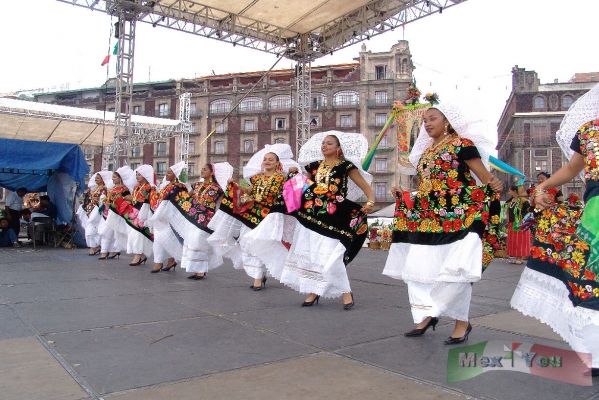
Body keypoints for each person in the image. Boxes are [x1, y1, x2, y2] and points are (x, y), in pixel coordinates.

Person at [383, 102, 503, 344]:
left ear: (447, 121)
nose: (427, 123)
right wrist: (406, 194)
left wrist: (493, 183)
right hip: (429, 215)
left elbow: (483, 175)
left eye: (432, 118)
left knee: (457, 267)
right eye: (425, 120)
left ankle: (461, 322)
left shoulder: (462, 145)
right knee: (419, 266)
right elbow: (427, 186)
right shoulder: (426, 152)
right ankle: (427, 314)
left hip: (460, 214)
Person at [511, 84, 599, 375]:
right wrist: (544, 185)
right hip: (595, 213)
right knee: (585, 276)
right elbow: (573, 169)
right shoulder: (589, 131)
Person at [278, 132, 375, 309]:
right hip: (313, 215)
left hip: (335, 216)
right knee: (314, 254)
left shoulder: (345, 166)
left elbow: (365, 186)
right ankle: (314, 291)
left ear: (338, 149)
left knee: (332, 255)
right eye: (323, 143)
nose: (325, 146)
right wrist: (294, 174)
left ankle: (346, 293)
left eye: (329, 143)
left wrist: (370, 201)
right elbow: (303, 184)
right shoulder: (314, 167)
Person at [208, 144, 297, 290]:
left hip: (269, 217)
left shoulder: (282, 178)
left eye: (271, 159)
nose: (267, 161)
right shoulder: (255, 178)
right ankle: (259, 275)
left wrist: (294, 174)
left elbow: (293, 191)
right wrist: (234, 185)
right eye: (265, 159)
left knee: (260, 244)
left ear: (277, 163)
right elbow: (246, 191)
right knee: (246, 244)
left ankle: (260, 277)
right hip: (252, 215)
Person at [157, 163, 232, 280]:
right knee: (191, 242)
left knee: (198, 242)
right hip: (193, 217)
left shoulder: (218, 188)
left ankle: (201, 271)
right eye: (201, 169)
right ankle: (197, 270)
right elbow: (187, 197)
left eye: (205, 169)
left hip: (206, 219)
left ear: (212, 173)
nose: (202, 171)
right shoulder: (197, 185)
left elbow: (222, 204)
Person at [148, 161, 188, 273]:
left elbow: (179, 202)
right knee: (159, 239)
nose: (166, 174)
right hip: (161, 216)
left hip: (169, 218)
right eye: (167, 172)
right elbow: (159, 200)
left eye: (170, 172)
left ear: (176, 175)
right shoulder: (166, 186)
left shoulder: (179, 187)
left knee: (168, 239)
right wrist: (153, 191)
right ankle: (160, 261)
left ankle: (169, 260)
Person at [122, 165, 156, 266]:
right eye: (136, 174)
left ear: (145, 175)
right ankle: (140, 255)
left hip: (144, 213)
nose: (137, 176)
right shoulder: (136, 187)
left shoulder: (149, 187)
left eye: (140, 174)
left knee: (139, 235)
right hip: (134, 212)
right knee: (134, 235)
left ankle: (138, 255)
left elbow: (147, 200)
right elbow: (134, 198)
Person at [98, 167, 134, 260]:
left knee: (118, 232)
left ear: (120, 178)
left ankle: (115, 250)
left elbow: (130, 198)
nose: (113, 179)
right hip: (111, 212)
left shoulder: (124, 188)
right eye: (112, 177)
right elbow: (109, 200)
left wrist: (120, 200)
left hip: (119, 213)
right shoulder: (112, 188)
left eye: (114, 177)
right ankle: (105, 251)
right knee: (108, 231)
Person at [76, 171, 112, 255]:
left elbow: (105, 200)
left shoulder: (105, 189)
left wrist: (98, 201)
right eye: (95, 178)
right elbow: (88, 198)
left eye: (98, 178)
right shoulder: (94, 188)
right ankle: (95, 246)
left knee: (93, 228)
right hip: (90, 210)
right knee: (91, 228)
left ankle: (95, 246)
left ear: (102, 179)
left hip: (98, 211)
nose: (96, 179)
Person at [505, 184, 531, 264]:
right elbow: (507, 212)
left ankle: (520, 258)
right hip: (512, 223)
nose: (508, 192)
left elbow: (528, 212)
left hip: (521, 224)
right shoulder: (510, 201)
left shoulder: (524, 201)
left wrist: (522, 221)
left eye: (510, 190)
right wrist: (507, 221)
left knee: (520, 241)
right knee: (513, 241)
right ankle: (516, 257)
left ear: (515, 191)